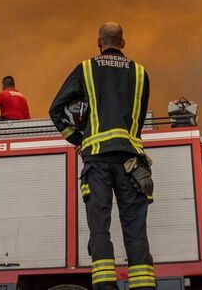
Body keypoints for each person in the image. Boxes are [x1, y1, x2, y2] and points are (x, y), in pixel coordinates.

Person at [50, 23, 154, 290]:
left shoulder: (85, 69)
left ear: (99, 43)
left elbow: (56, 109)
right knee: (136, 230)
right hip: (132, 163)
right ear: (123, 42)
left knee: (99, 229)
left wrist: (79, 139)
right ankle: (142, 286)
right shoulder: (140, 73)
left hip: (96, 161)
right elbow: (138, 120)